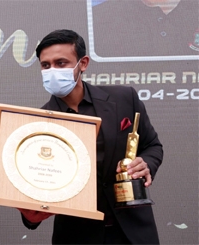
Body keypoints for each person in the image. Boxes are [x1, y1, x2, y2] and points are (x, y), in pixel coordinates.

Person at [18, 29, 163, 244]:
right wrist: (29, 215)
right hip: (76, 235)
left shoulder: (123, 98)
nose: (52, 71)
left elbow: (152, 146)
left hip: (133, 232)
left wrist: (147, 164)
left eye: (61, 63)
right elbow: (33, 184)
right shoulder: (37, 125)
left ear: (83, 63)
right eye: (45, 65)